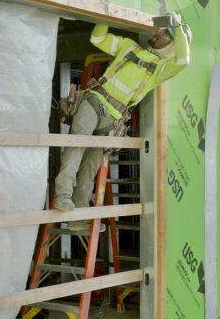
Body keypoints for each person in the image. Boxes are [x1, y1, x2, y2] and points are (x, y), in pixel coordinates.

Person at [53, 16, 192, 219]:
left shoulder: (162, 69)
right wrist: (106, 16)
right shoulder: (129, 47)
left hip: (113, 117)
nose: (159, 33)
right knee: (78, 144)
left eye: (165, 35)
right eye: (162, 31)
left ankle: (78, 216)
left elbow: (183, 60)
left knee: (91, 165)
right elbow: (98, 39)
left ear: (171, 46)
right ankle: (63, 195)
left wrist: (178, 27)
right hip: (95, 100)